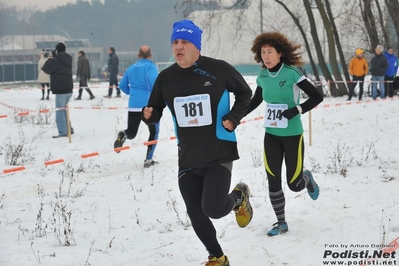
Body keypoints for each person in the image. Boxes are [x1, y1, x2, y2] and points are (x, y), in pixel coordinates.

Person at [141, 19, 253, 266]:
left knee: (212, 209)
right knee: (195, 212)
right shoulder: (166, 78)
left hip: (218, 153)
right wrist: (148, 115)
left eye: (185, 42)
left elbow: (245, 92)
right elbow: (155, 109)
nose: (178, 47)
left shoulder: (219, 70)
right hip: (188, 158)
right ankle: (217, 257)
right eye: (175, 42)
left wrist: (234, 116)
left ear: (196, 46)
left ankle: (239, 196)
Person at [246, 32, 323, 237]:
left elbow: (317, 96)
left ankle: (307, 178)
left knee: (294, 184)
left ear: (280, 53)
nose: (266, 56)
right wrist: (236, 117)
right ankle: (281, 222)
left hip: (292, 135)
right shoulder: (262, 75)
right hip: (271, 134)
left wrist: (296, 110)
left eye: (270, 52)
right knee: (272, 179)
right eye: (263, 52)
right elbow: (255, 101)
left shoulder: (292, 73)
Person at [114, 45, 160, 168]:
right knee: (153, 132)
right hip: (148, 106)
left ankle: (124, 134)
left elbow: (122, 85)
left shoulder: (131, 68)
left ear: (138, 55)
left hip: (134, 105)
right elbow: (155, 83)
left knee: (132, 132)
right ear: (150, 55)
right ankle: (148, 160)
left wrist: (133, 93)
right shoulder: (151, 67)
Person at [42, 42, 74, 138]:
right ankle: (69, 129)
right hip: (69, 88)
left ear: (56, 50)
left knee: (60, 111)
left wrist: (50, 58)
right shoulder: (69, 58)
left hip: (60, 89)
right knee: (65, 110)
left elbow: (46, 69)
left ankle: (63, 131)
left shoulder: (56, 60)